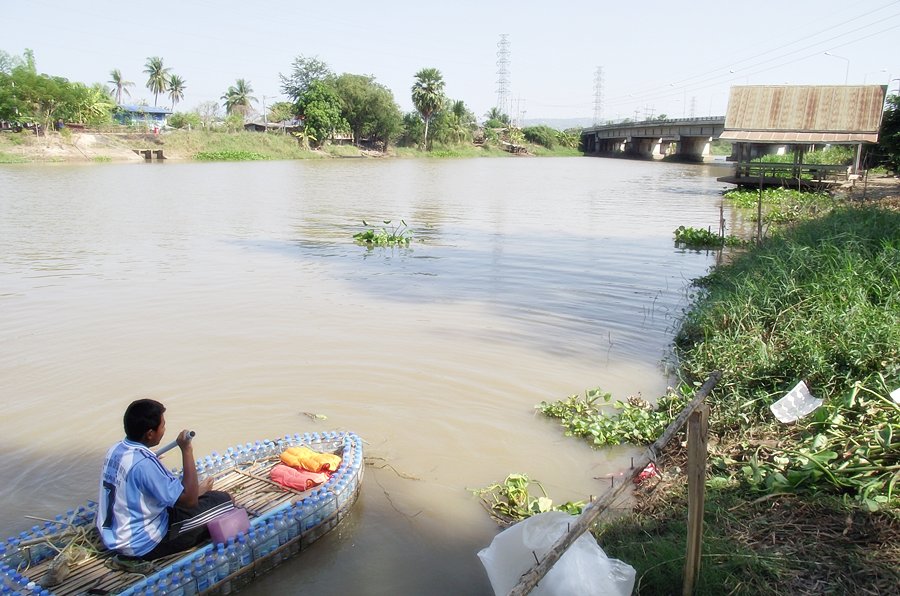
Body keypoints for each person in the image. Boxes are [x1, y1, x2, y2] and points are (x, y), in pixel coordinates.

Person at [97, 399, 233, 560]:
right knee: (225, 501)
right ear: (149, 434)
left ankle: (200, 493)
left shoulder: (115, 449)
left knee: (200, 495)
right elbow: (190, 502)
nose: (164, 429)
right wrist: (186, 450)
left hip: (112, 536)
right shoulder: (144, 464)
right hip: (141, 545)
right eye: (162, 426)